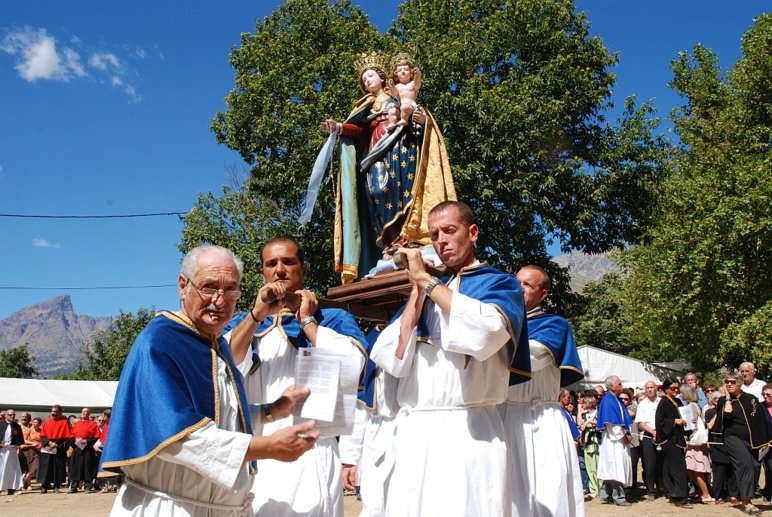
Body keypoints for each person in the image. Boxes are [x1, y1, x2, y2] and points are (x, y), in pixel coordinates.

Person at [101, 244, 320, 516]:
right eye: (208, 287)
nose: (219, 300)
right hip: (170, 507)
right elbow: (176, 436)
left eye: (230, 290)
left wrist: (272, 410)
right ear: (183, 286)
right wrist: (268, 447)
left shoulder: (215, 345)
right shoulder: (160, 342)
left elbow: (219, 417)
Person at [370, 200, 530, 516]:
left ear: (472, 233)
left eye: (449, 230)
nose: (441, 240)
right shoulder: (428, 291)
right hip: (417, 432)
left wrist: (429, 283)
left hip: (469, 431)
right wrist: (418, 287)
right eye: (434, 234)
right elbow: (392, 355)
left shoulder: (499, 283)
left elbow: (484, 334)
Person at [224, 236, 368, 517]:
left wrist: (307, 321)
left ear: (303, 269)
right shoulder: (244, 322)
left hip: (310, 453)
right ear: (263, 272)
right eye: (271, 263)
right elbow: (223, 370)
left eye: (288, 262)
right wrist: (256, 315)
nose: (279, 269)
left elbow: (353, 369)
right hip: (258, 450)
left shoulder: (333, 318)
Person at [319, 51, 456, 283]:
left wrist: (420, 119)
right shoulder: (367, 107)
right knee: (377, 192)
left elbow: (414, 112)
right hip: (376, 152)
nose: (367, 81)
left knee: (404, 192)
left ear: (383, 77)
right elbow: (360, 130)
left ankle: (407, 239)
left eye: (370, 75)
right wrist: (340, 127)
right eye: (363, 79)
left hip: (402, 147)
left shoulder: (398, 94)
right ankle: (390, 244)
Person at [498, 264, 585, 517]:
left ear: (542, 295)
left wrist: (487, 344)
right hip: (504, 416)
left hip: (540, 419)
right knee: (506, 493)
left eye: (528, 285)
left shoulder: (553, 324)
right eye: (517, 282)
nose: (519, 287)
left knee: (547, 492)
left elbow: (534, 357)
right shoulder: (501, 322)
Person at [338, 327, 399, 517]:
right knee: (375, 502)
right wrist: (349, 460)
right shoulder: (371, 340)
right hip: (377, 431)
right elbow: (360, 407)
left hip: (411, 428)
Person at [714, 371, 772, 515]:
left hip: (750, 439)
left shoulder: (751, 399)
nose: (729, 384)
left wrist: (766, 440)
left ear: (739, 383)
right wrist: (727, 397)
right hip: (732, 438)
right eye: (727, 382)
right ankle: (746, 501)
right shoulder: (723, 401)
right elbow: (726, 414)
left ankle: (746, 495)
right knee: (744, 464)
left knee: (754, 466)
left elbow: (760, 420)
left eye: (732, 382)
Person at [654, 377, 693, 508]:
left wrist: (689, 421)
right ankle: (681, 497)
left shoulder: (677, 402)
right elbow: (660, 422)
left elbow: (683, 417)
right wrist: (674, 421)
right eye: (673, 388)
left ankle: (674, 494)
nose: (676, 390)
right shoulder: (664, 403)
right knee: (678, 467)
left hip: (678, 438)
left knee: (674, 467)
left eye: (677, 388)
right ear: (666, 389)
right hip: (669, 439)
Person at [596, 375, 633, 506]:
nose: (621, 386)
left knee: (614, 467)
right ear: (612, 386)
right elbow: (612, 424)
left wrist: (627, 433)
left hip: (618, 440)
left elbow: (623, 420)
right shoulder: (608, 401)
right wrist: (624, 436)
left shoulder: (616, 400)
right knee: (615, 468)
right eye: (619, 384)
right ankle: (618, 496)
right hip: (614, 440)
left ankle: (607, 494)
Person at [704, 390, 739, 504]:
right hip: (716, 444)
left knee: (731, 471)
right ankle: (718, 495)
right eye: (716, 400)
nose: (719, 402)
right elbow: (709, 426)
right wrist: (718, 412)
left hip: (729, 443)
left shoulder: (729, 411)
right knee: (719, 471)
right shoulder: (710, 412)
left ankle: (733, 494)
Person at [680, 384, 712, 503]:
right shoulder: (692, 405)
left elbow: (693, 424)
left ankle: (705, 493)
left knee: (697, 469)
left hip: (695, 443)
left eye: (682, 393)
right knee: (691, 469)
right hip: (693, 443)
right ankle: (700, 492)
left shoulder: (692, 406)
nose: (680, 395)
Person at [634, 380, 663, 500]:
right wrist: (652, 432)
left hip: (662, 434)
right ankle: (651, 490)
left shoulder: (662, 402)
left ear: (656, 388)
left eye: (651, 387)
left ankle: (664, 487)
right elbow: (640, 422)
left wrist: (659, 433)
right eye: (647, 388)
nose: (649, 390)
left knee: (662, 463)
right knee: (649, 464)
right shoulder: (642, 404)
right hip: (647, 435)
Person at [39, 404, 70, 493]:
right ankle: (44, 485)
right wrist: (49, 443)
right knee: (46, 467)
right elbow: (43, 435)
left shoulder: (64, 422)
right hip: (47, 446)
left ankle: (56, 485)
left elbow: (65, 436)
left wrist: (55, 444)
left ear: (60, 412)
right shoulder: (47, 422)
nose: (53, 414)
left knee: (57, 467)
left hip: (58, 447)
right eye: (52, 412)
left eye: (55, 412)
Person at [67, 407, 100, 493]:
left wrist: (87, 441)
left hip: (87, 449)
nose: (84, 413)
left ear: (89, 414)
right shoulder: (76, 424)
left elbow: (96, 436)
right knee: (75, 467)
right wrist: (74, 440)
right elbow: (71, 436)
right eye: (82, 412)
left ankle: (88, 486)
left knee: (87, 467)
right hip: (77, 448)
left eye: (86, 412)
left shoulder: (93, 424)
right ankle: (74, 486)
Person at [385, 53, 421, 130]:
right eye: (400, 70)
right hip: (400, 108)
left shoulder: (411, 84)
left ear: (411, 73)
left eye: (406, 69)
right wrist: (391, 87)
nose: (403, 72)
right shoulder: (397, 86)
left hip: (411, 107)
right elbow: (394, 93)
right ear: (396, 74)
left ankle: (404, 120)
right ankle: (393, 123)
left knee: (404, 107)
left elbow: (417, 85)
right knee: (391, 111)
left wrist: (418, 76)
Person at [578, 392, 600, 499]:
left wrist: (589, 422)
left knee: (597, 466)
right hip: (587, 442)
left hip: (596, 442)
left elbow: (600, 423)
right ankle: (593, 488)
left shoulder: (597, 412)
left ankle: (600, 488)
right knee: (589, 467)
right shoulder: (584, 415)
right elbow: (580, 424)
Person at [0, 409, 24, 495]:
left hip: (12, 450)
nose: (12, 416)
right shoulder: (1, 424)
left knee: (11, 470)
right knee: (1, 469)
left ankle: (11, 488)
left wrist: (18, 447)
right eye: (10, 415)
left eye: (13, 415)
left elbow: (20, 440)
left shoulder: (17, 426)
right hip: (2, 450)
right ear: (5, 415)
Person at [21, 415, 41, 491]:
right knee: (29, 468)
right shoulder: (29, 430)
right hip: (29, 450)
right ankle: (28, 484)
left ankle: (25, 480)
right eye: (33, 422)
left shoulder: (41, 431)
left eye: (36, 422)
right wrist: (32, 443)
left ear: (39, 424)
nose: (34, 424)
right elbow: (23, 440)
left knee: (35, 468)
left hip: (38, 451)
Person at [760, 383, 772, 502]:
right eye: (763, 394)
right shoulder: (760, 407)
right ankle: (768, 493)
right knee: (769, 469)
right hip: (767, 444)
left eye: (768, 395)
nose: (765, 397)